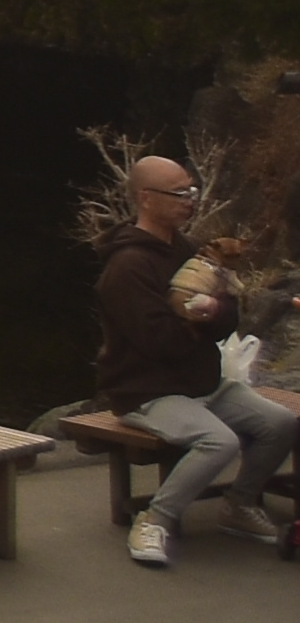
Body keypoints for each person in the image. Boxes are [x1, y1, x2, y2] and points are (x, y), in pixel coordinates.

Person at [97, 154, 296, 568]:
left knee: (281, 423)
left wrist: (211, 314)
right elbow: (157, 341)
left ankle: (239, 504)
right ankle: (155, 519)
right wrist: (202, 319)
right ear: (147, 199)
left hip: (201, 380)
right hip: (147, 388)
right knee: (217, 440)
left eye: (192, 191)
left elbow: (230, 313)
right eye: (179, 193)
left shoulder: (187, 249)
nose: (190, 200)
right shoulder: (128, 265)